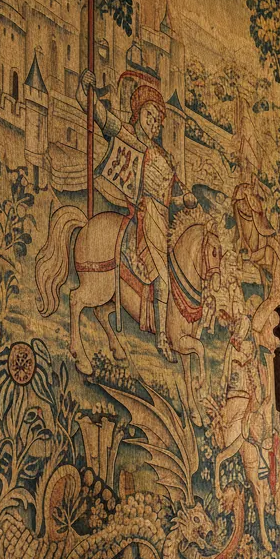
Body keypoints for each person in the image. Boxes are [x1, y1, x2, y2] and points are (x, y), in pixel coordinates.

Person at [78, 69, 193, 360]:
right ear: (137, 112)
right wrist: (85, 91)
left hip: (164, 218)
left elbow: (170, 193)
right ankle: (162, 339)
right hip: (146, 215)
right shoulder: (128, 136)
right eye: (148, 115)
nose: (152, 124)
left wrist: (184, 198)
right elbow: (100, 116)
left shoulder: (163, 156)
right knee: (163, 275)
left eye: (157, 120)